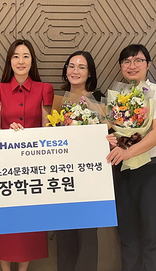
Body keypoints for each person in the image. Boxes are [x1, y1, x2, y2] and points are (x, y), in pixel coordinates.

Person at [0, 39, 53, 271]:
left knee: (29, 224)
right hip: (3, 164)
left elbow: (47, 127)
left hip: (34, 164)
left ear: (32, 61)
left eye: (26, 56)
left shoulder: (44, 89)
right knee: (5, 222)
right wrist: (7, 132)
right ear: (10, 61)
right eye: (16, 56)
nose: (21, 61)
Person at [106, 44, 156, 271]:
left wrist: (128, 152)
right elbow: (113, 130)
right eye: (126, 61)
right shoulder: (117, 97)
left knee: (152, 237)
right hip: (123, 172)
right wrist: (112, 139)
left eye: (138, 61)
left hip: (152, 171)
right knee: (128, 236)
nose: (132, 66)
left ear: (148, 64)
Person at [56, 50, 101, 271]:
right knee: (64, 236)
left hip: (90, 179)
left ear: (90, 73)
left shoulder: (100, 101)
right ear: (65, 71)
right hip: (62, 178)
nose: (75, 71)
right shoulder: (56, 102)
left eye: (81, 67)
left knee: (87, 236)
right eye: (71, 66)